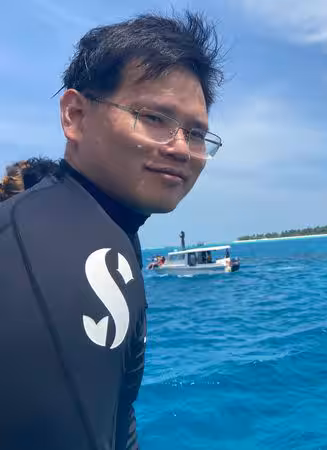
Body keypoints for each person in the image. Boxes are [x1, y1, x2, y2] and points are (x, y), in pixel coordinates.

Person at [0, 10, 224, 450]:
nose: (181, 148)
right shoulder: (60, 254)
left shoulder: (106, 231)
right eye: (154, 117)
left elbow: (119, 418)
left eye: (197, 133)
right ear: (76, 115)